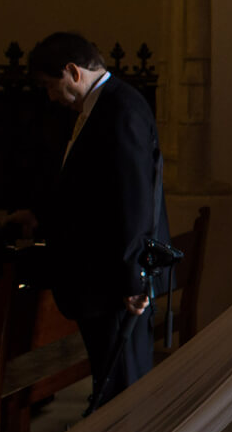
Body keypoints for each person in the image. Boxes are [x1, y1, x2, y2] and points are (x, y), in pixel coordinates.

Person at [27, 32, 169, 412]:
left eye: (50, 86)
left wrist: (133, 279)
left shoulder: (119, 110)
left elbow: (133, 201)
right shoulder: (102, 106)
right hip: (102, 280)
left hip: (116, 285)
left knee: (123, 393)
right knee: (112, 390)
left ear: (72, 72)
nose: (51, 97)